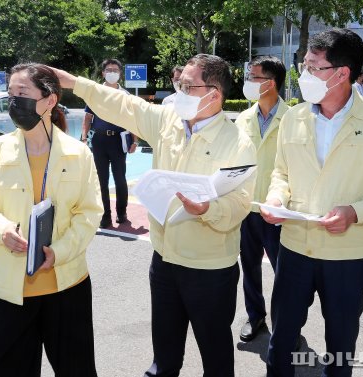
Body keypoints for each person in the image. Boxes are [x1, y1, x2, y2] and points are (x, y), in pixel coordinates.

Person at [51, 53, 257, 377]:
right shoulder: (168, 121)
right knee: (164, 355)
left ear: (214, 95)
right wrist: (75, 83)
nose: (179, 91)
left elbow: (242, 201)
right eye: (180, 84)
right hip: (164, 261)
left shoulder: (239, 141)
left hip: (209, 268)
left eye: (188, 86)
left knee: (215, 357)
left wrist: (209, 208)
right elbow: (124, 106)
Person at [261, 29, 363, 377]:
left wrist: (356, 212)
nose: (304, 74)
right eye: (304, 65)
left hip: (348, 254)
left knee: (341, 343)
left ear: (342, 74)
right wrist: (275, 197)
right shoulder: (294, 118)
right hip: (296, 248)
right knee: (282, 337)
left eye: (313, 67)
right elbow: (281, 173)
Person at [0, 63, 103, 377]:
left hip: (67, 287)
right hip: (10, 288)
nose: (13, 101)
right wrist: (1, 229)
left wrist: (59, 252)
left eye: (22, 93)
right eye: (10, 93)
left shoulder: (79, 154)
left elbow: (89, 213)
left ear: (50, 100)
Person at [235, 55, 288, 342]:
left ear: (271, 83)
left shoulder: (293, 119)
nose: (248, 82)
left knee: (285, 273)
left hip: (279, 211)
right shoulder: (243, 118)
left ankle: (286, 324)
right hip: (247, 208)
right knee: (250, 268)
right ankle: (255, 316)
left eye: (254, 77)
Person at [80, 58, 138, 229]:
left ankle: (121, 212)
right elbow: (88, 118)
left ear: (120, 74)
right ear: (103, 72)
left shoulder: (126, 95)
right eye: (109, 70)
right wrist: (84, 139)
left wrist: (135, 140)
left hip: (118, 140)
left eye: (115, 70)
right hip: (99, 140)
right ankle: (105, 216)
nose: (112, 73)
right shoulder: (95, 93)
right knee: (101, 180)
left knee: (120, 179)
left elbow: (132, 119)